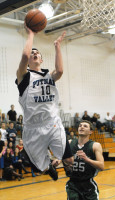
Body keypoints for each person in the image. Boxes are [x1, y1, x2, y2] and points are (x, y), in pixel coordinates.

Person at [15, 24, 73, 180]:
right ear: (28, 62)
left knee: (69, 160)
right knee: (40, 168)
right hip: (32, 128)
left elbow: (60, 70)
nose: (34, 54)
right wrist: (31, 34)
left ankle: (74, 180)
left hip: (52, 122)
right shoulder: (24, 77)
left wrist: (57, 46)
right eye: (32, 52)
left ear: (41, 59)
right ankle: (48, 168)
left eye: (37, 53)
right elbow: (24, 56)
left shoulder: (49, 76)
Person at [65, 120, 104, 200]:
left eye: (85, 126)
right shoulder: (69, 143)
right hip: (73, 184)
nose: (81, 127)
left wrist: (87, 159)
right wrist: (63, 163)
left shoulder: (95, 145)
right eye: (80, 125)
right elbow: (63, 161)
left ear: (91, 131)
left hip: (88, 184)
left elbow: (101, 166)